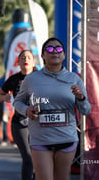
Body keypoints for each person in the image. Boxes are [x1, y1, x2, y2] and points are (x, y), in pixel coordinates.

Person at [13, 37, 91, 180]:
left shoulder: (75, 79)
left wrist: (81, 98)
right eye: (49, 49)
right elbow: (17, 103)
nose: (54, 51)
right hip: (41, 140)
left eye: (59, 49)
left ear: (64, 55)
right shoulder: (31, 79)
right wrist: (27, 110)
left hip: (66, 139)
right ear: (43, 55)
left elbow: (86, 110)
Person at [0, 50, 37, 180]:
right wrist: (5, 97)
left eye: (29, 57)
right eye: (23, 57)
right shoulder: (13, 79)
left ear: (33, 61)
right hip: (20, 123)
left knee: (39, 157)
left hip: (40, 123)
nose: (26, 59)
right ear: (18, 62)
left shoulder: (40, 77)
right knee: (28, 157)